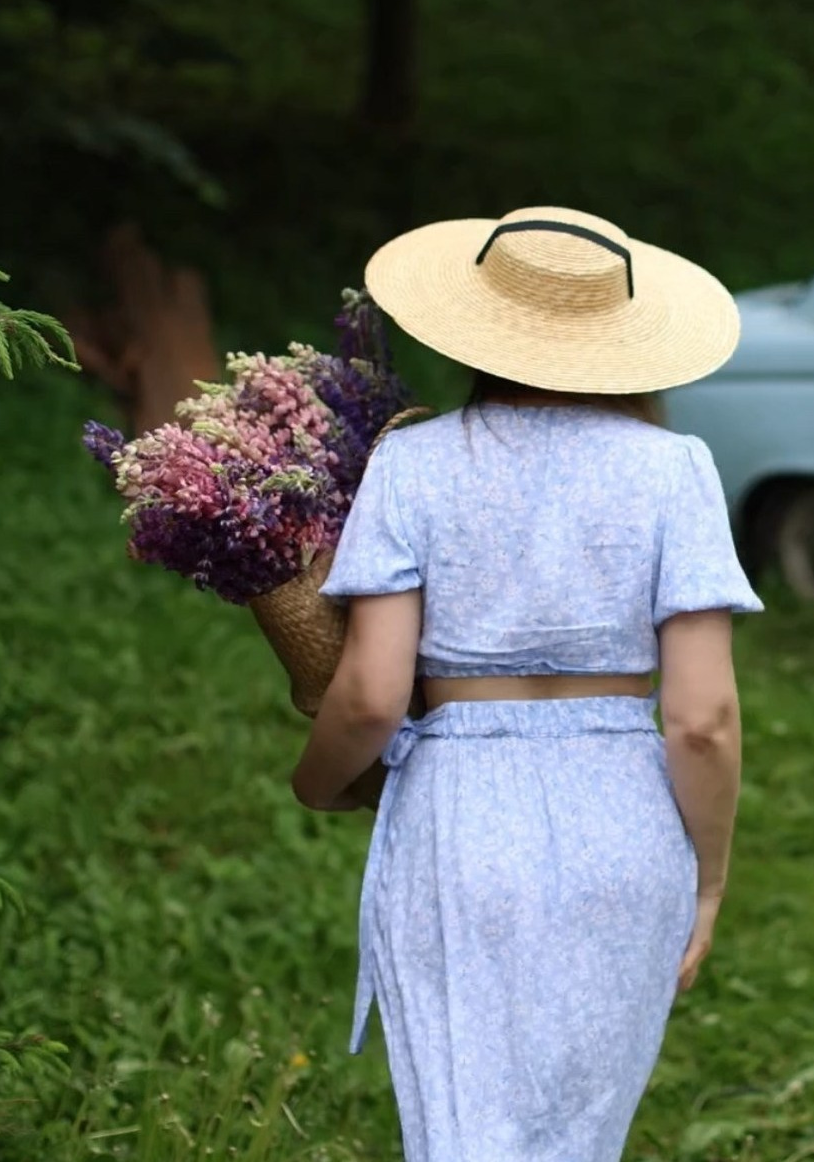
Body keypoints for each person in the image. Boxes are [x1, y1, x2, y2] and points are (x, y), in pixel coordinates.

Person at [291, 206, 764, 1162]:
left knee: (462, 1135)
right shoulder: (676, 471)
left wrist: (314, 782)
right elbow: (704, 719)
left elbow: (372, 695)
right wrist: (707, 879)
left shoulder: (412, 466)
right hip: (625, 828)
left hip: (459, 828)